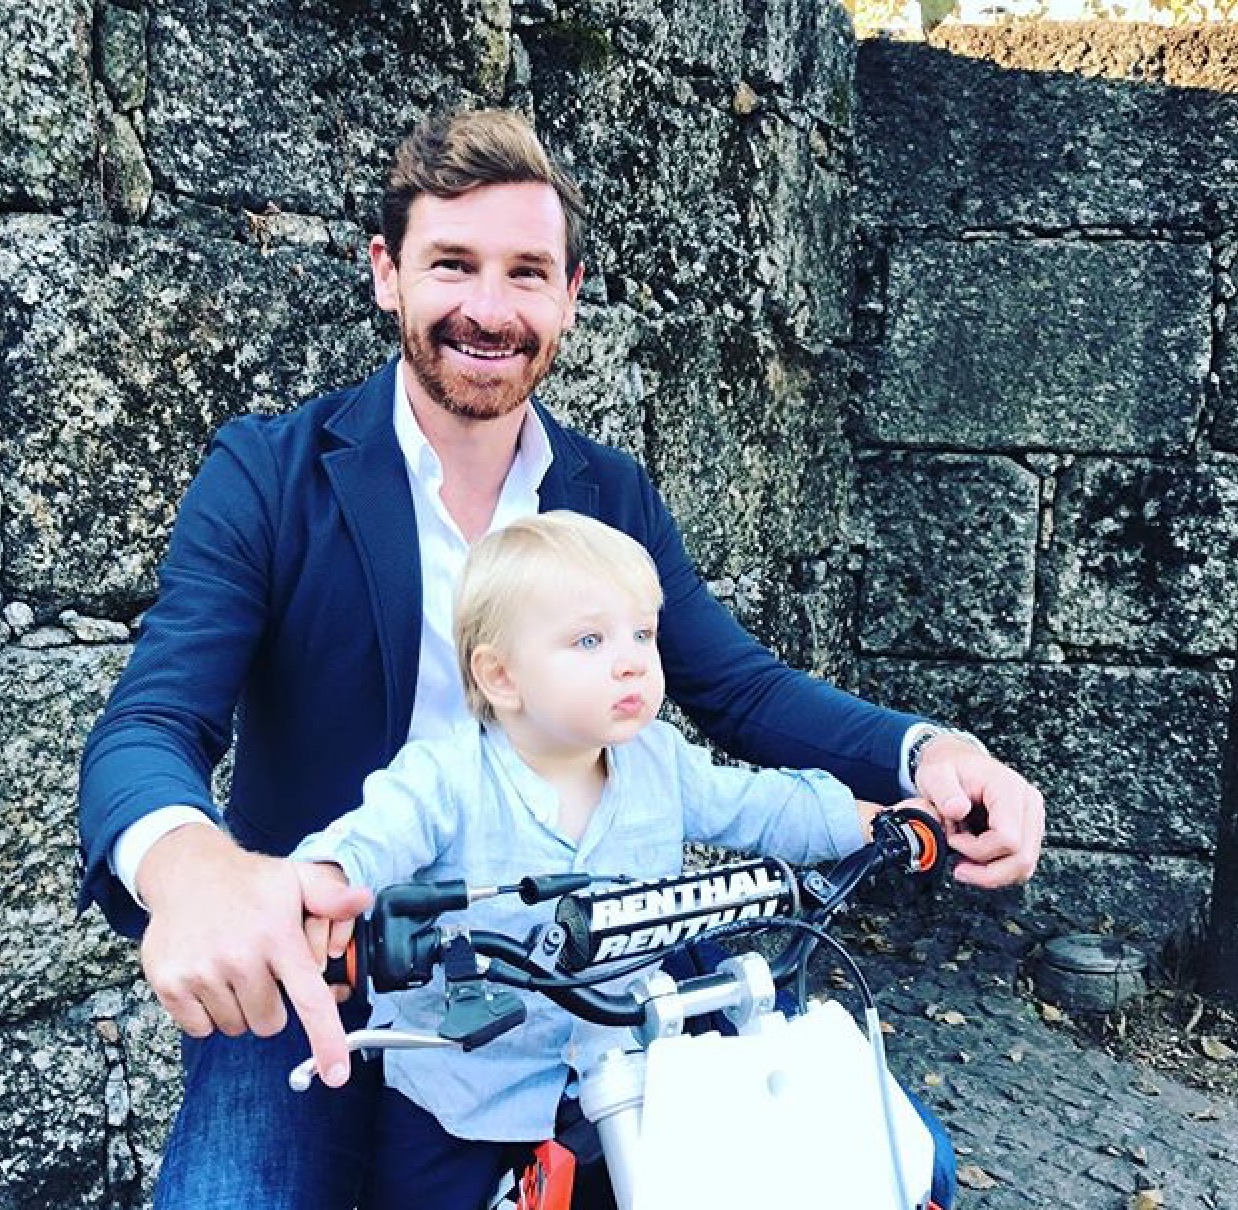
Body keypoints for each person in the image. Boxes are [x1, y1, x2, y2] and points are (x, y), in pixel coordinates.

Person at [77, 107, 1043, 1208]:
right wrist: (196, 868)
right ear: (387, 273)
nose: (490, 310)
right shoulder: (268, 471)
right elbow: (152, 719)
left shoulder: (608, 492)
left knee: (888, 1166)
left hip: (594, 937)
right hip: (333, 945)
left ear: (570, 295)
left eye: (527, 273)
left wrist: (926, 753)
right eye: (453, 264)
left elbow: (737, 686)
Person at [289, 510, 950, 1210]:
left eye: (642, 634)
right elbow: (374, 835)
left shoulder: (658, 760)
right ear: (502, 676)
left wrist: (871, 825)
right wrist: (328, 879)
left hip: (626, 1061)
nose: (632, 660)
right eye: (589, 640)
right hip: (470, 1084)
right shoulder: (444, 777)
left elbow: (755, 805)